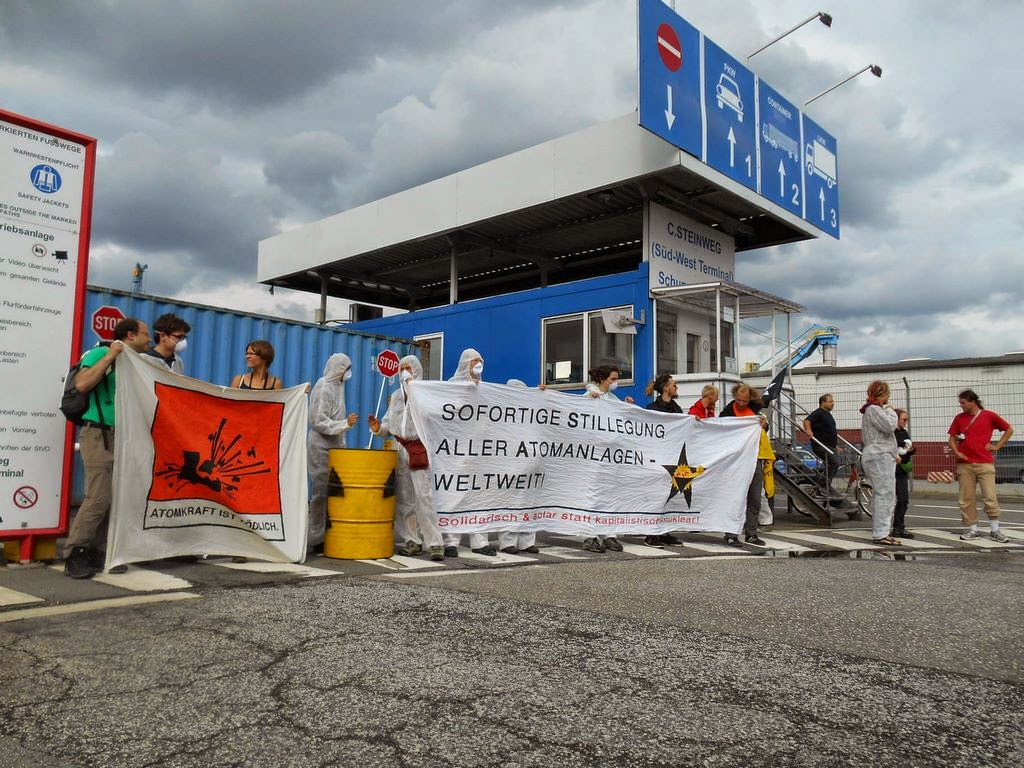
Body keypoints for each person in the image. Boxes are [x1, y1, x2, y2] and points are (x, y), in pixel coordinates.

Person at [63, 318, 152, 578]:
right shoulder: (102, 352)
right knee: (99, 496)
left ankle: (97, 550)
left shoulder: (135, 363)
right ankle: (75, 552)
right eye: (146, 334)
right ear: (130, 335)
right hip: (98, 432)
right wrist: (111, 354)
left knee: (115, 498)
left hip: (123, 436)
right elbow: (82, 384)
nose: (149, 340)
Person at [368, 355, 445, 562]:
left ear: (417, 370)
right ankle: (412, 540)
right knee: (405, 499)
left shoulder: (426, 395)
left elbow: (438, 418)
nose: (404, 371)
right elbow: (388, 424)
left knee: (424, 497)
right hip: (399, 448)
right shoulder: (395, 396)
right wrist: (378, 428)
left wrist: (415, 391)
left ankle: (435, 543)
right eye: (402, 368)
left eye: (408, 367)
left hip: (419, 448)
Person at [442, 348, 497, 557]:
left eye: (480, 362)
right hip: (455, 451)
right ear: (465, 364)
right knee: (454, 496)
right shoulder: (450, 387)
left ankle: (480, 541)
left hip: (479, 451)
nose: (478, 366)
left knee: (479, 496)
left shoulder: (485, 389)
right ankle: (451, 541)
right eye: (474, 362)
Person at [307, 353, 358, 552]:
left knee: (335, 490)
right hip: (320, 445)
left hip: (336, 444)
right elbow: (319, 422)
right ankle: (317, 538)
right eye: (346, 368)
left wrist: (342, 428)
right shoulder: (324, 386)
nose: (348, 372)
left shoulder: (339, 385)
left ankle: (332, 532)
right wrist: (345, 424)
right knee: (320, 492)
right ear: (338, 368)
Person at [948, 389, 1014, 542]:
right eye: (960, 403)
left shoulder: (989, 415)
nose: (961, 405)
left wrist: (997, 446)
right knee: (966, 498)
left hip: (985, 462)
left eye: (963, 403)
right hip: (965, 464)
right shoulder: (959, 418)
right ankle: (972, 529)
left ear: (973, 402)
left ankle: (995, 529)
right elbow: (951, 439)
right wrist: (957, 452)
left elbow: (1009, 429)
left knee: (990, 496)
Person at [582, 364, 631, 553]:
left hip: (611, 457)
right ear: (602, 380)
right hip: (593, 457)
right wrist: (589, 404)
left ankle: (609, 534)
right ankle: (590, 535)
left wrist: (626, 406)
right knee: (592, 495)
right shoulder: (589, 397)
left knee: (610, 494)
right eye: (613, 379)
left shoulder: (612, 398)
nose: (615, 383)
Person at [719, 383, 768, 547]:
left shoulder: (755, 409)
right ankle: (731, 534)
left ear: (750, 398)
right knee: (735, 498)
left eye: (744, 401)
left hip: (755, 459)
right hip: (736, 462)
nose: (741, 403)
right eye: (739, 400)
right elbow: (719, 430)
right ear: (734, 397)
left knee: (755, 499)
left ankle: (751, 534)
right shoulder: (726, 412)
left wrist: (763, 425)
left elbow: (764, 427)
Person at [497, 379, 542, 555]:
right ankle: (507, 541)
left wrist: (543, 395)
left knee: (529, 504)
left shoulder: (532, 413)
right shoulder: (502, 415)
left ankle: (527, 541)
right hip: (510, 466)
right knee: (510, 503)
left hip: (530, 466)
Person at [643, 374, 684, 548]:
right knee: (655, 496)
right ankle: (650, 534)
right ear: (666, 388)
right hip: (656, 459)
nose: (676, 388)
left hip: (672, 459)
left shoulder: (677, 410)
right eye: (674, 385)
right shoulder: (651, 408)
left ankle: (664, 531)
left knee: (668, 497)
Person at [859, 380, 900, 546]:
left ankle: (881, 531)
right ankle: (881, 533)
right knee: (885, 493)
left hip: (878, 453)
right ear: (882, 394)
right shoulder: (875, 409)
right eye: (887, 394)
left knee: (883, 493)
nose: (889, 397)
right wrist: (891, 410)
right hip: (880, 454)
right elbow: (890, 426)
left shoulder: (870, 409)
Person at [803, 394, 838, 498]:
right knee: (834, 463)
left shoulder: (828, 414)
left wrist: (835, 446)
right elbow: (806, 421)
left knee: (833, 465)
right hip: (820, 445)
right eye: (830, 401)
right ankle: (822, 489)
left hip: (829, 446)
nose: (833, 403)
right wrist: (808, 430)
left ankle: (819, 485)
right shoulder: (819, 413)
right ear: (823, 402)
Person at [892, 409, 916, 539]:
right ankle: (896, 527)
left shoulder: (904, 432)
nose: (906, 422)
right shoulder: (891, 432)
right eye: (904, 420)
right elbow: (892, 444)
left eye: (907, 420)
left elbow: (909, 448)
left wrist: (911, 449)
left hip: (902, 470)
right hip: (893, 469)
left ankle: (898, 527)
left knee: (903, 499)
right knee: (897, 498)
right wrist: (904, 444)